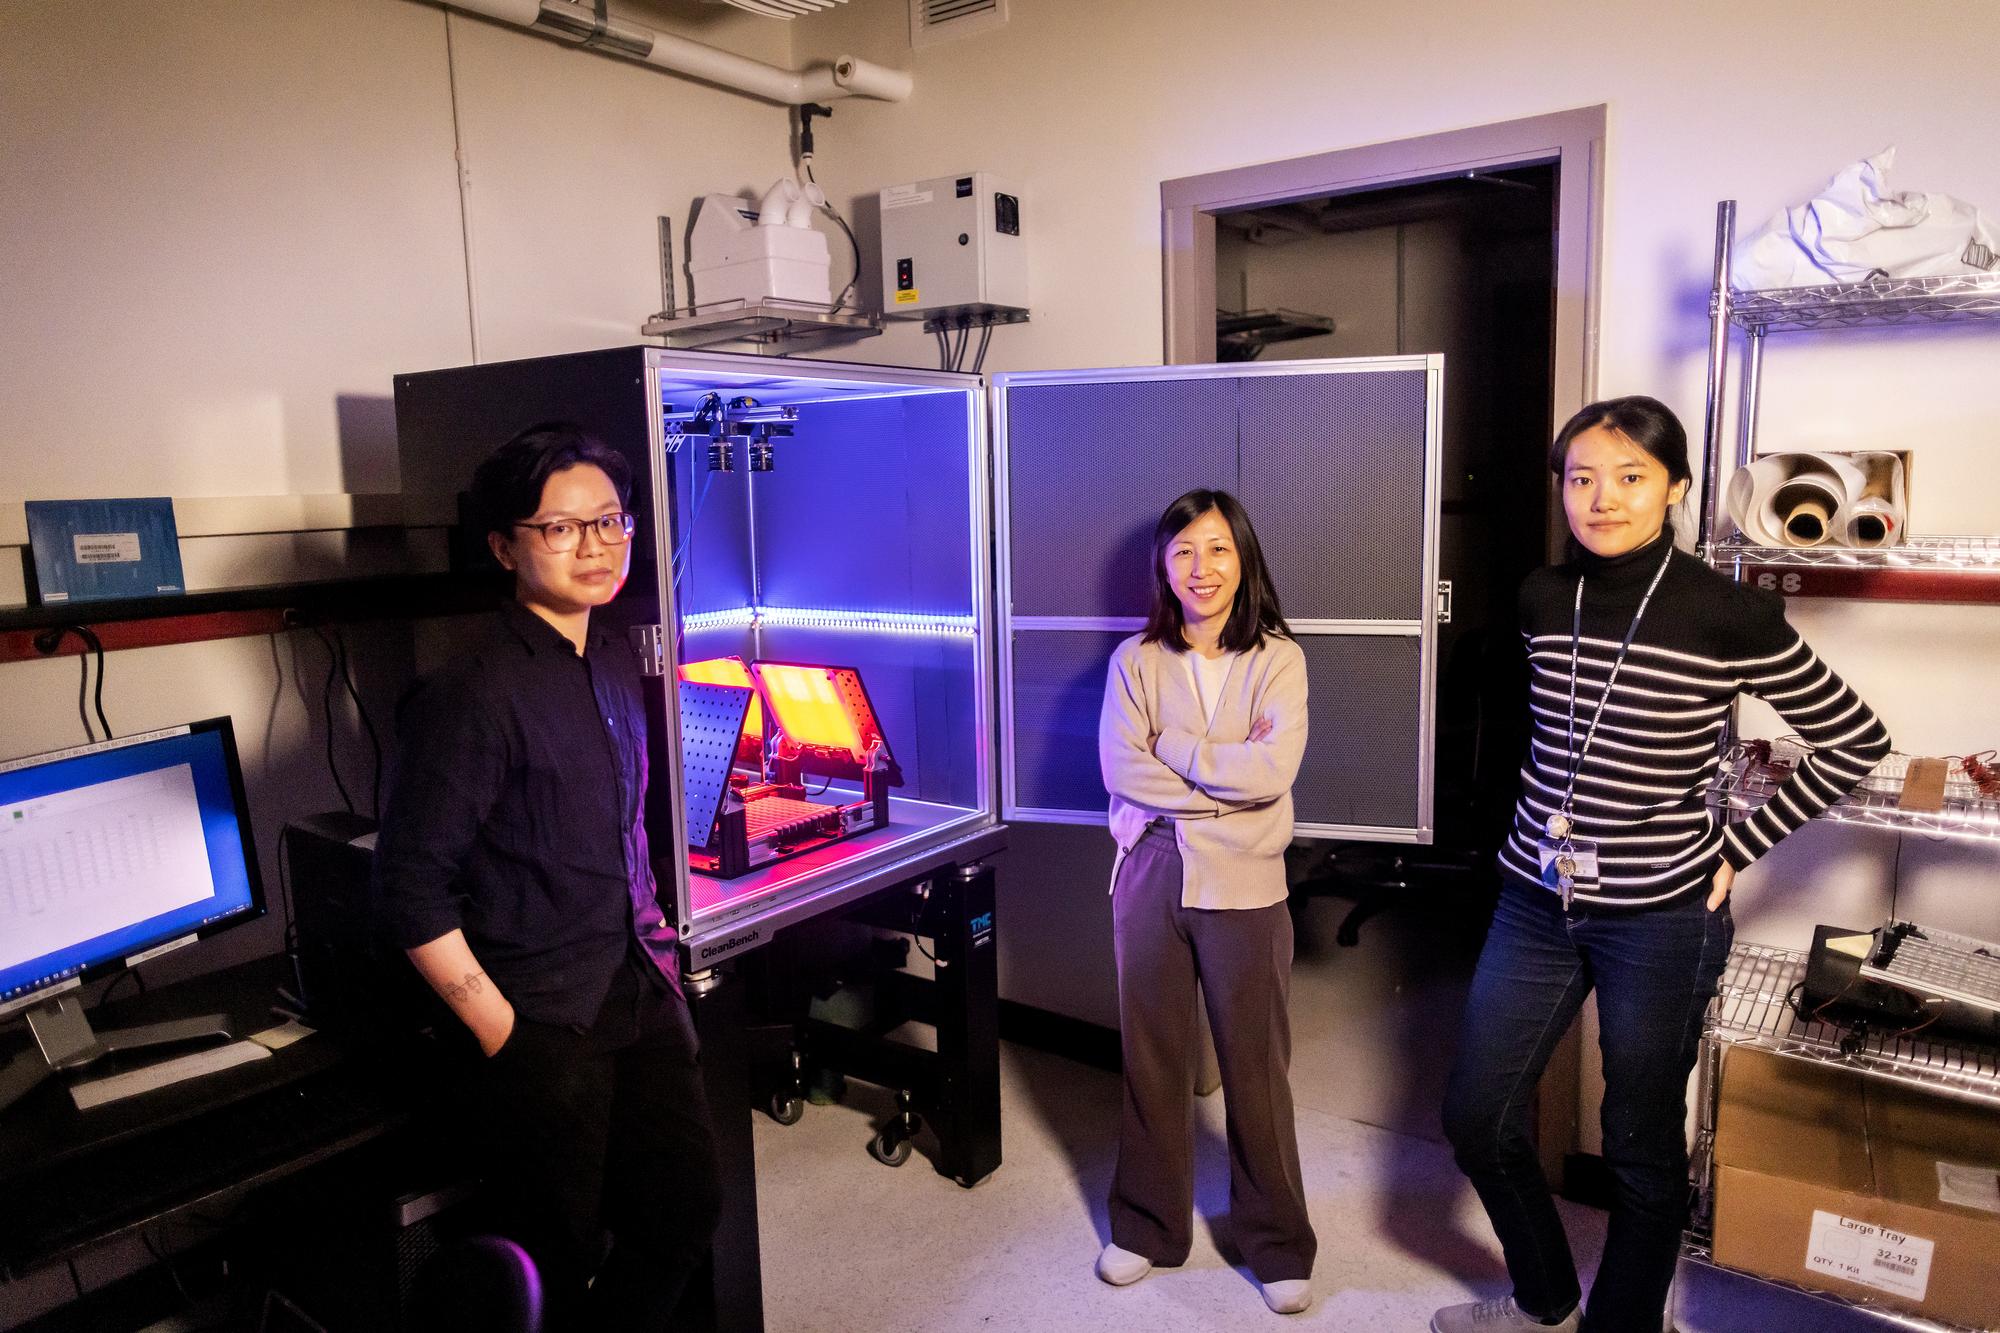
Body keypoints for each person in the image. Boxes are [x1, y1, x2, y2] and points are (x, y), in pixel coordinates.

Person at [1432, 397, 1890, 1333]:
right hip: (1535, 896)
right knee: (1479, 1115)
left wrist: (1739, 847)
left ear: (1675, 488)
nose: (1602, 498)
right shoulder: (1538, 596)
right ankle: (1547, 1297)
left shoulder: (1728, 612)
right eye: (1582, 477)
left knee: (1640, 1144)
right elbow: (1550, 736)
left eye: (1630, 476)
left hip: (1661, 914)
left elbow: (1856, 739)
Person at [374, 422, 721, 1331]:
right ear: (505, 546)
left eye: (610, 521)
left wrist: (664, 953)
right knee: (554, 1255)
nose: (596, 546)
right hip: (541, 1019)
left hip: (639, 985)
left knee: (684, 1215)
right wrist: (503, 1033)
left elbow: (623, 833)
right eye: (562, 528)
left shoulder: (607, 661)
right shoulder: (471, 696)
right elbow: (409, 886)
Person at [1095, 488, 1319, 1316]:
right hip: (1149, 871)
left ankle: (1277, 1241)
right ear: (1164, 563)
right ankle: (1148, 1225)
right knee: (1151, 1055)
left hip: (1248, 881)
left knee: (1255, 1067)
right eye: (1184, 550)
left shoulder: (1280, 659)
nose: (1202, 567)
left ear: (1243, 557)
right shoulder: (1135, 661)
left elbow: (1273, 775)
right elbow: (1125, 773)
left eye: (1218, 548)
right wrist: (1227, 783)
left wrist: (1180, 753)